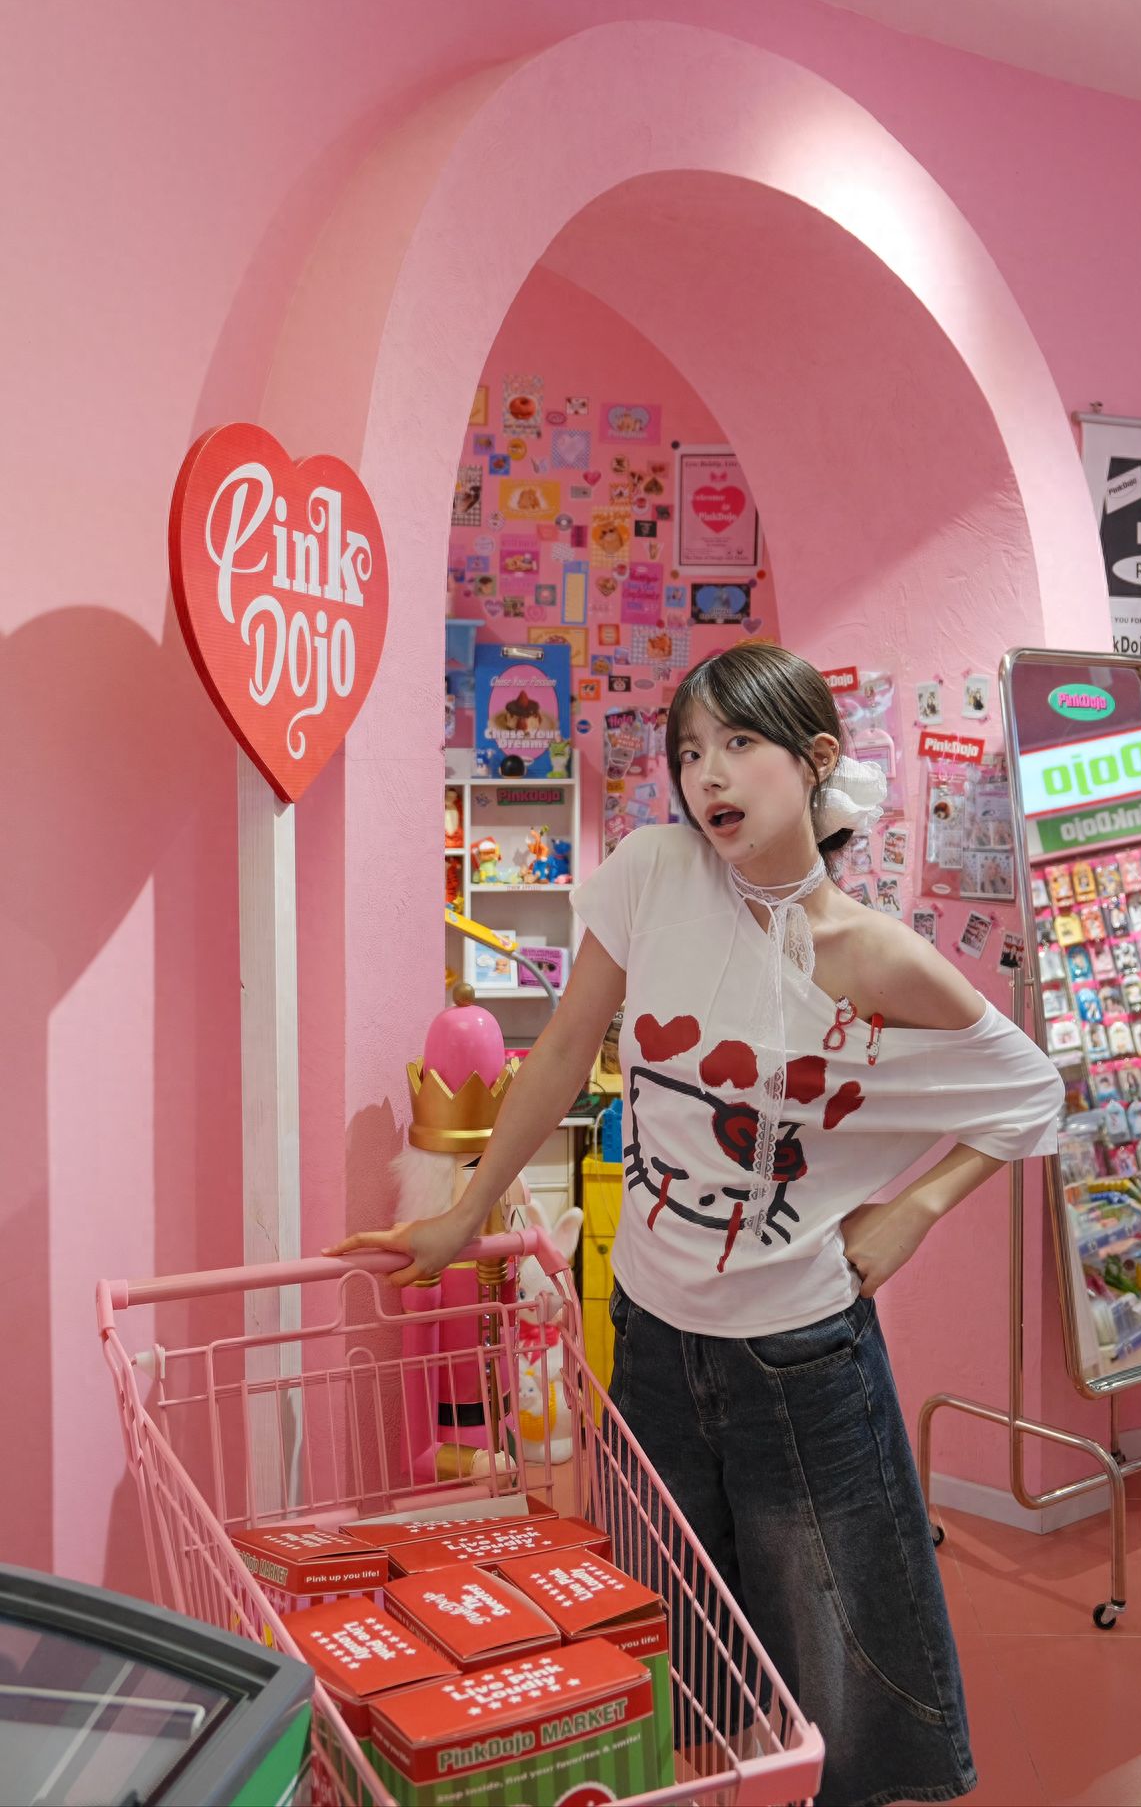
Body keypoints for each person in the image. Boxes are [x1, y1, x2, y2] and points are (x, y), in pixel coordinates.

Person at [327, 643, 1065, 1807]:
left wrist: (911, 1210)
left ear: (814, 761)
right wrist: (462, 1212)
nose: (704, 774)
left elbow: (1032, 1091)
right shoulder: (649, 872)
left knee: (834, 1669)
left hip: (800, 1360)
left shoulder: (866, 954)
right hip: (655, 1338)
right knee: (676, 1638)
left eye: (736, 744)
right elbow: (566, 1046)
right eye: (687, 751)